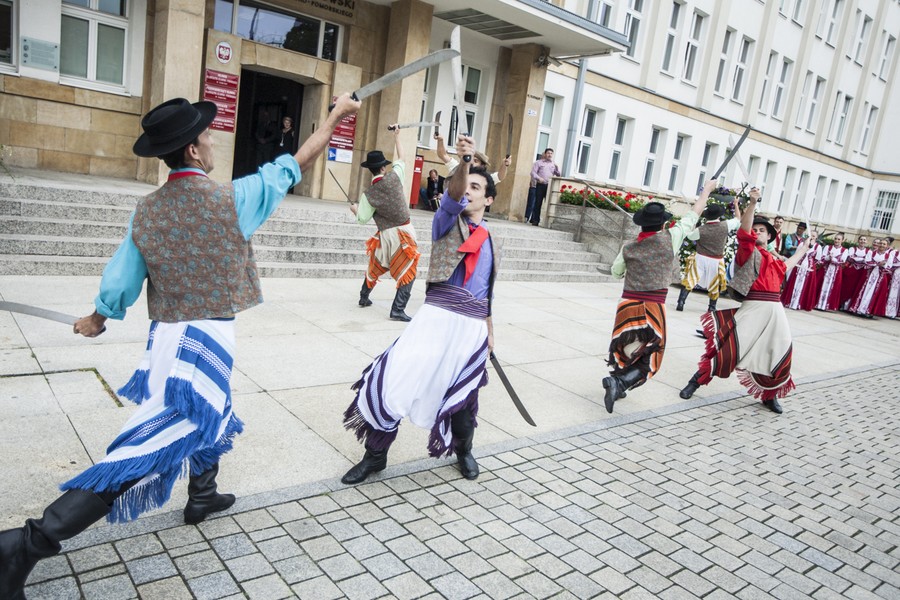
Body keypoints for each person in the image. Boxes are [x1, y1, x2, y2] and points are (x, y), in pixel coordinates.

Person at [0, 93, 361, 600]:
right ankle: (27, 543)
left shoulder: (146, 211)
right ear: (192, 150)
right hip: (201, 341)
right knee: (143, 450)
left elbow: (122, 277)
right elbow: (297, 161)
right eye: (208, 137)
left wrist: (99, 317)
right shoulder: (234, 199)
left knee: (215, 411)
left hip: (168, 339)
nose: (213, 143)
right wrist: (335, 117)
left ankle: (203, 494)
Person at [341, 135, 499, 484]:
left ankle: (464, 451)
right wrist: (464, 162)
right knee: (394, 381)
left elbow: (488, 293)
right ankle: (375, 456)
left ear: (489, 199)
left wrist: (490, 333)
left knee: (462, 399)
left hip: (471, 327)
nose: (468, 190)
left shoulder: (492, 240)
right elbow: (453, 194)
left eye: (476, 187)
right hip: (435, 320)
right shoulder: (447, 220)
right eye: (466, 184)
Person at [679, 188, 816, 414]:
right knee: (729, 350)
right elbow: (744, 230)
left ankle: (769, 395)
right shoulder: (748, 251)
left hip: (775, 312)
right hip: (754, 308)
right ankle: (696, 381)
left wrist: (804, 247)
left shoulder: (775, 260)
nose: (758, 232)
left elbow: (788, 265)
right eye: (755, 229)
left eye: (762, 230)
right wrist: (752, 203)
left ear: (770, 236)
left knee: (778, 351)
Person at [601, 179, 716, 414]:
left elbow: (616, 272)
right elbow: (693, 215)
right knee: (651, 353)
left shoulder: (628, 247)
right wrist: (706, 191)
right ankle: (619, 383)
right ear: (663, 224)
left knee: (626, 347)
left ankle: (619, 385)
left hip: (628, 305)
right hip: (653, 306)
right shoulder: (671, 237)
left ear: (641, 224)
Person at [352, 125, 420, 322]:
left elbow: (362, 219)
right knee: (409, 270)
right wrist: (397, 136)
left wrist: (355, 208)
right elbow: (402, 158)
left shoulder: (368, 194)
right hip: (404, 233)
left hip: (385, 234)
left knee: (376, 265)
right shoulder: (395, 176)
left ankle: (363, 297)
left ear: (370, 170)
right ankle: (397, 309)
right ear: (383, 168)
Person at [676, 198, 741, 312]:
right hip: (716, 260)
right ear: (719, 215)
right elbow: (738, 219)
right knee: (715, 283)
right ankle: (711, 307)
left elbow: (690, 236)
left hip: (700, 258)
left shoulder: (701, 230)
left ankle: (681, 302)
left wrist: (694, 223)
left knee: (691, 279)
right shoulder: (725, 225)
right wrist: (736, 204)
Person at [849, 238, 894, 317]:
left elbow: (889, 266)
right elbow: (867, 261)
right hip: (869, 275)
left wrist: (882, 265)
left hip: (880, 277)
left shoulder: (889, 255)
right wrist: (878, 264)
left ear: (887, 246)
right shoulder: (871, 252)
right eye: (881, 243)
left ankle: (869, 311)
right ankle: (859, 309)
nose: (882, 245)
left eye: (884, 244)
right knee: (865, 290)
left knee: (874, 293)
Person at [781, 229, 820, 311]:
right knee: (794, 283)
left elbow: (817, 259)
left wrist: (810, 266)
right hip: (799, 266)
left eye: (813, 236)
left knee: (805, 285)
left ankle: (800, 303)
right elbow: (797, 255)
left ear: (816, 238)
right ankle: (790, 302)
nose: (812, 237)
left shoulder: (818, 247)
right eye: (810, 235)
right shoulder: (802, 244)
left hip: (809, 268)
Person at [814, 232, 848, 311]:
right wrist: (828, 257)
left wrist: (833, 259)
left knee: (832, 286)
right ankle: (818, 303)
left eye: (839, 239)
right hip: (825, 269)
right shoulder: (828, 247)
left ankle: (827, 305)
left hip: (836, 271)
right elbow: (822, 258)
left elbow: (842, 261)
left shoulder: (844, 250)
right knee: (821, 284)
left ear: (842, 240)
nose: (836, 240)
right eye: (835, 239)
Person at [527, 148, 560, 226]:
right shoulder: (539, 163)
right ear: (545, 154)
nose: (550, 155)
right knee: (538, 203)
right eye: (548, 153)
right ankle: (536, 220)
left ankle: (546, 222)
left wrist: (557, 168)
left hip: (549, 186)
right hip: (540, 185)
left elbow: (558, 174)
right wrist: (539, 178)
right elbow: (533, 173)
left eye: (551, 153)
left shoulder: (553, 164)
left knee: (548, 203)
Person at [839, 235, 871, 310]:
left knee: (856, 288)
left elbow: (868, 261)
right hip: (851, 270)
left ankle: (850, 306)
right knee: (847, 287)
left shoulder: (868, 251)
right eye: (861, 239)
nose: (862, 241)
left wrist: (857, 259)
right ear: (858, 240)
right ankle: (842, 304)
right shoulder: (852, 249)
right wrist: (862, 260)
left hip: (861, 272)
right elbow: (850, 258)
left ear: (866, 241)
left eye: (864, 240)